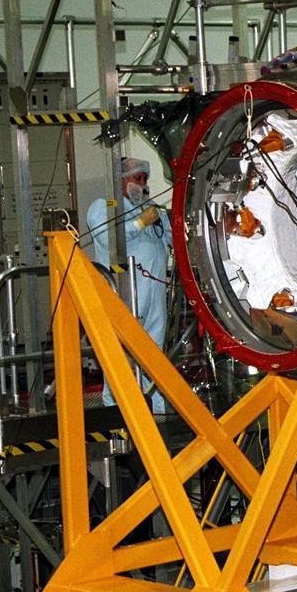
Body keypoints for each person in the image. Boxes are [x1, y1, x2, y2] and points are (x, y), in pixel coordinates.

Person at [85, 157, 172, 413]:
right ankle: (116, 408)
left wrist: (162, 222)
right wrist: (140, 223)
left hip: (154, 290)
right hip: (125, 289)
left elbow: (168, 237)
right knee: (122, 350)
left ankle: (156, 409)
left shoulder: (149, 206)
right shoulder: (104, 207)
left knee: (154, 350)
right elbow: (108, 237)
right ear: (122, 180)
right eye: (137, 179)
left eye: (145, 179)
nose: (142, 184)